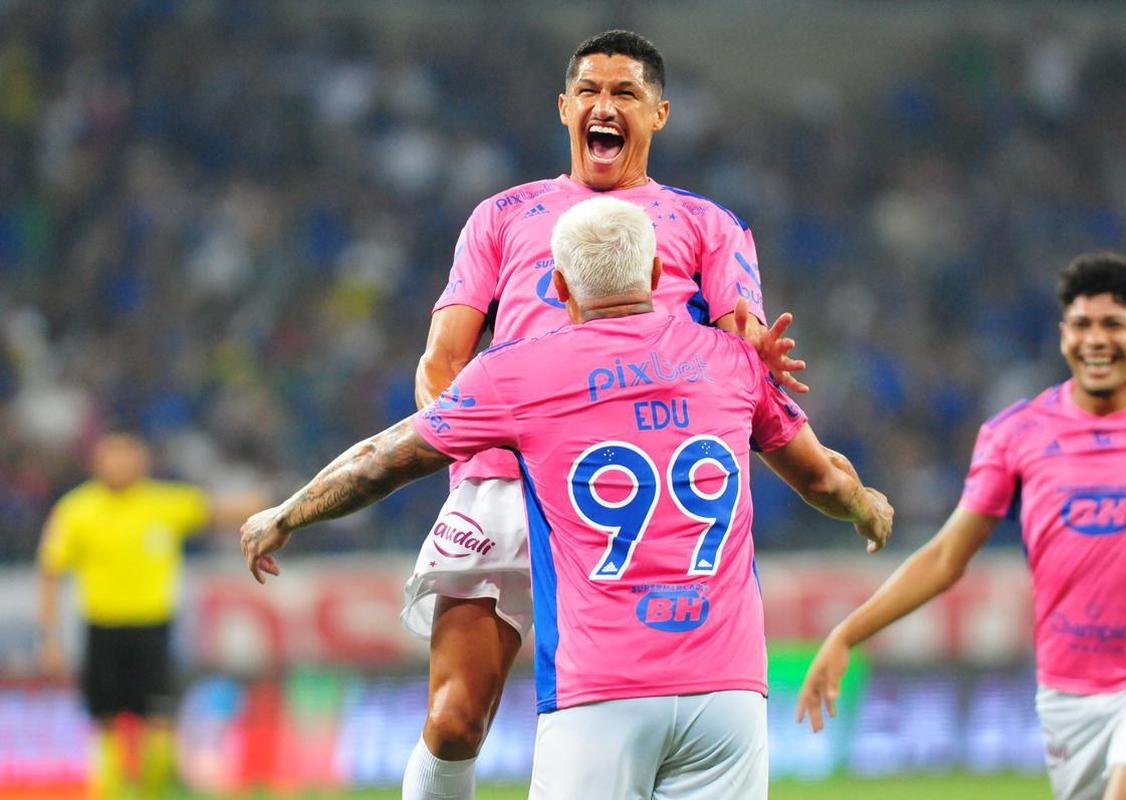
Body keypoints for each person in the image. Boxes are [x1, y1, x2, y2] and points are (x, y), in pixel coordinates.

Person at [240, 197, 892, 799]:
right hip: (727, 694)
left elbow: (380, 462)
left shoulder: (516, 374)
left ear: (556, 286)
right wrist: (867, 506)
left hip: (600, 690)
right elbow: (823, 481)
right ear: (658, 269)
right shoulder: (730, 361)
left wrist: (287, 513)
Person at [401, 29, 804, 799]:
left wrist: (760, 354)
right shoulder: (503, 216)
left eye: (623, 94)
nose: (603, 106)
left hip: (628, 488)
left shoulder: (706, 224)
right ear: (562, 108)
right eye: (588, 91)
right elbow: (440, 364)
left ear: (658, 113)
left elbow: (737, 345)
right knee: (455, 717)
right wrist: (473, 452)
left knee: (641, 704)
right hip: (509, 484)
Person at [798, 253, 1126, 800]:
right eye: (1083, 324)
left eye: (1114, 324)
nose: (1097, 339)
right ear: (1064, 335)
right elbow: (946, 559)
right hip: (1066, 689)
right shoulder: (1018, 434)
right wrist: (847, 634)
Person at [37, 432, 265, 800]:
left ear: (143, 460)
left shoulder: (164, 503)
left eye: (128, 453)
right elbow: (49, 571)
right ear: (96, 460)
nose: (120, 462)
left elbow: (222, 510)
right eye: (112, 454)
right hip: (102, 631)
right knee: (105, 728)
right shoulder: (76, 510)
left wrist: (284, 506)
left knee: (159, 729)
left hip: (153, 632)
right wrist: (48, 638)